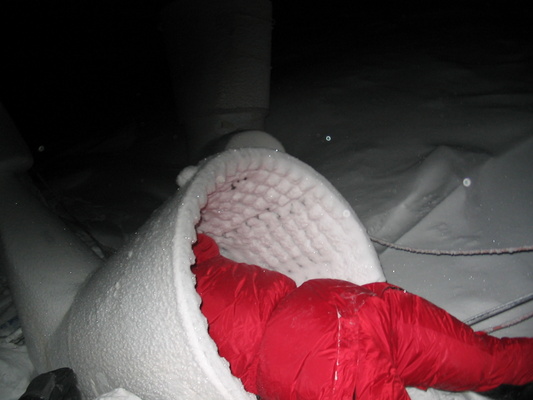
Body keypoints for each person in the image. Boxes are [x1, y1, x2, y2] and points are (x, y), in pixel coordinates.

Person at [192, 234, 533, 400]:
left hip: (316, 360)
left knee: (483, 364)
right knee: (484, 360)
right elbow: (197, 240)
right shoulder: (187, 261)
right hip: (338, 304)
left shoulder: (160, 301)